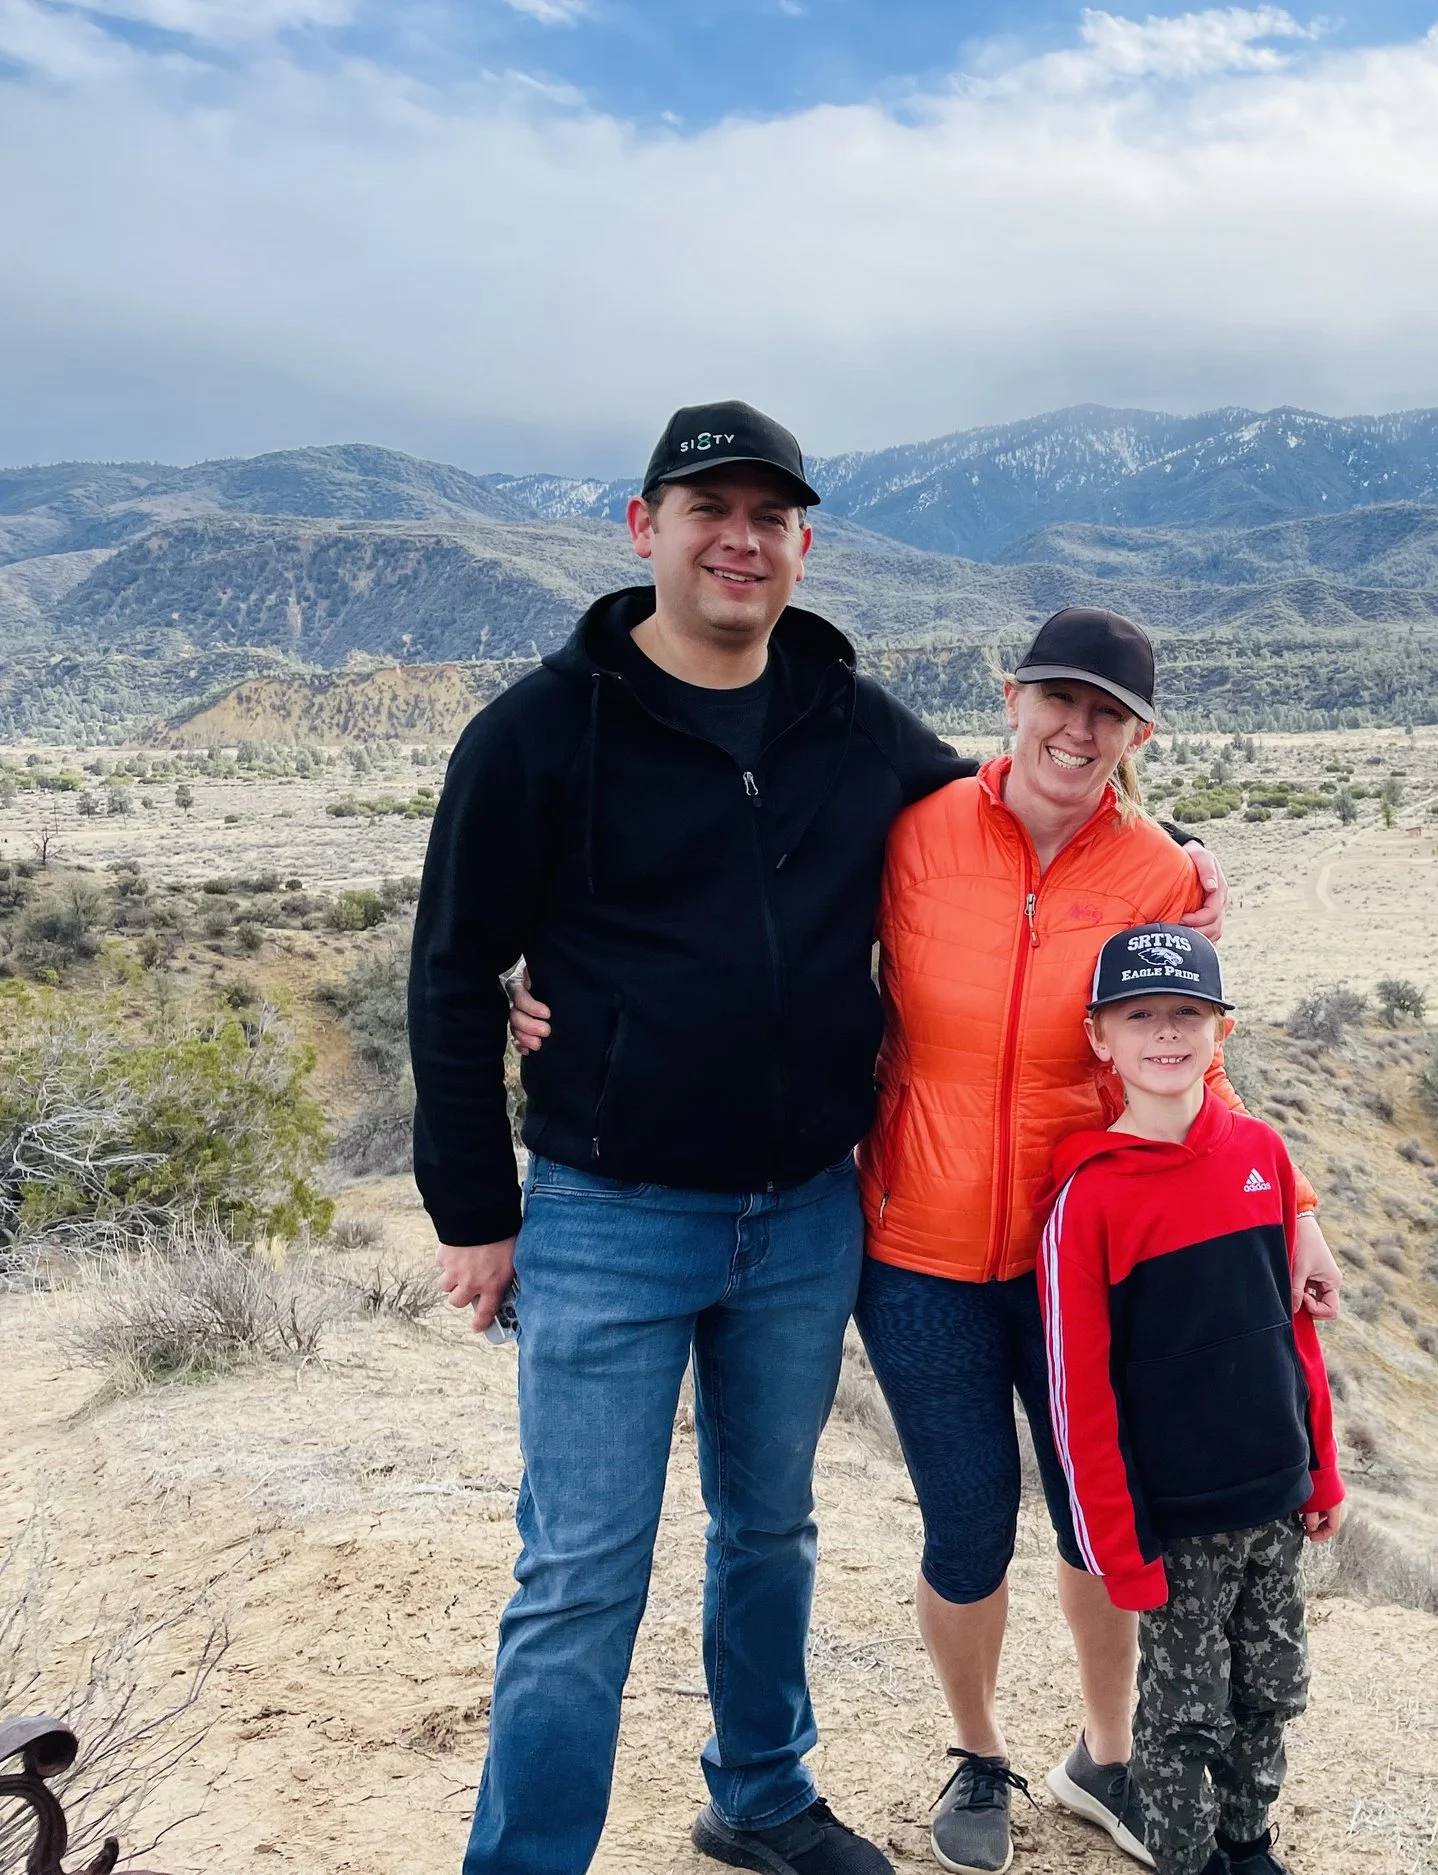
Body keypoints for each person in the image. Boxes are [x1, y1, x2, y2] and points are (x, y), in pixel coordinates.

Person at [414, 403, 1227, 1875]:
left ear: (803, 545)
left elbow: (1029, 809)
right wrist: (475, 1202)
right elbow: (451, 961)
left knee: (769, 1528)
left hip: (802, 1213)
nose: (740, 538)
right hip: (611, 1204)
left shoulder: (847, 720)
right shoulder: (538, 728)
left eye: (769, 516)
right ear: (641, 524)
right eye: (707, 506)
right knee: (582, 1570)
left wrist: (1174, 864)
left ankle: (763, 1792)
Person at [846, 606, 1342, 1875]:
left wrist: (1294, 1207)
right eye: (1059, 700)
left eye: (1108, 713)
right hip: (923, 1250)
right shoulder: (913, 836)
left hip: (1098, 1262)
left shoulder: (1161, 875)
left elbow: (1183, 1063)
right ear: (1009, 698)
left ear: (1138, 735)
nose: (1079, 729)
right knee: (965, 1525)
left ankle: (1105, 1756)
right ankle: (977, 1751)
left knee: (1099, 1519)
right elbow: (780, 953)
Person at [1039, 924, 1344, 1875]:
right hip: (1175, 1525)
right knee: (1184, 1717)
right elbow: (1076, 1393)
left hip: (1276, 1502)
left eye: (1188, 1014)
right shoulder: (1089, 1197)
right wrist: (1113, 1547)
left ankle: (1247, 1844)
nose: (1165, 1034)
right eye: (1140, 1016)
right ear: (1101, 1038)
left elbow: (1295, 1333)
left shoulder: (1262, 1154)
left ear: (1223, 1031)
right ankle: (1189, 1859)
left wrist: (1321, 1470)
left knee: (1272, 1690)